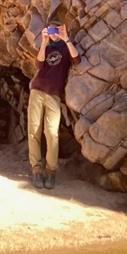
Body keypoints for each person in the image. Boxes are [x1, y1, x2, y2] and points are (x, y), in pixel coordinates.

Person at [28, 20, 78, 190]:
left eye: (56, 29)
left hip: (54, 96)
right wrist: (43, 43)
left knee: (51, 132)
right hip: (37, 91)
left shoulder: (65, 48)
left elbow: (77, 59)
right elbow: (39, 65)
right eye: (51, 30)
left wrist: (66, 39)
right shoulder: (46, 47)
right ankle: (36, 170)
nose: (54, 33)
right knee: (34, 131)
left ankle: (51, 172)